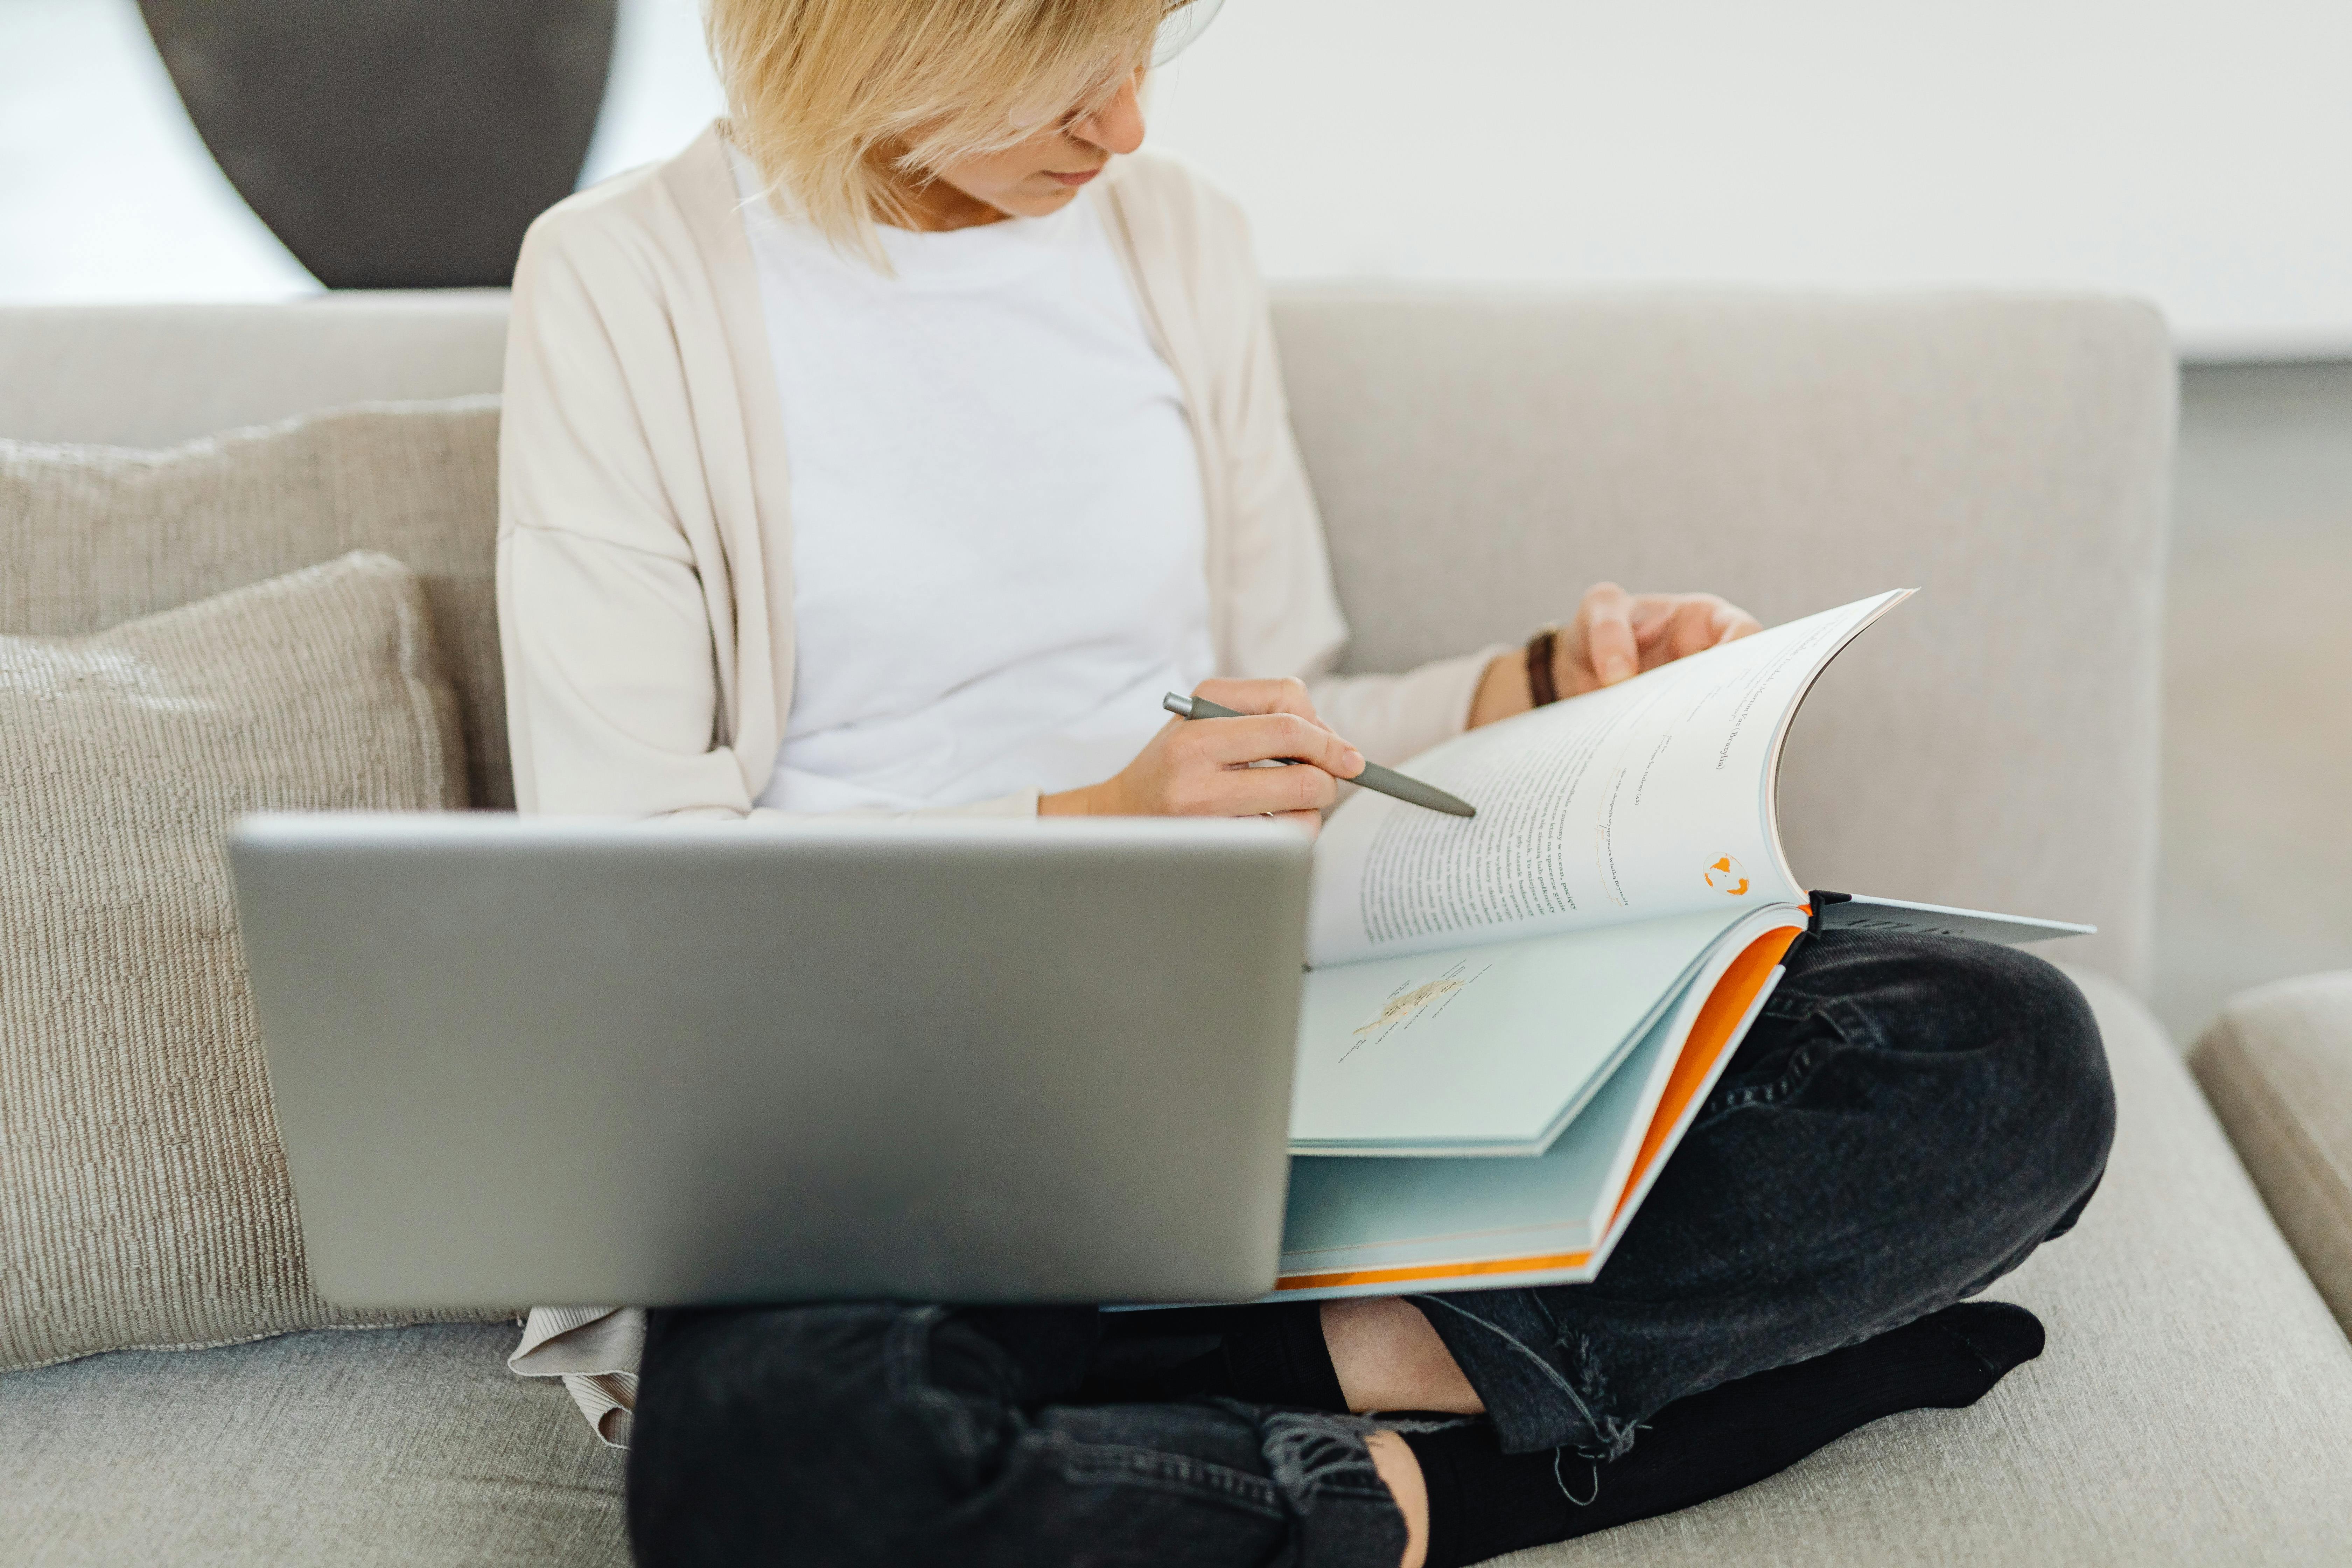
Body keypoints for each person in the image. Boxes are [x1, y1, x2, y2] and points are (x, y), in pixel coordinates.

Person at [493, 1, 2116, 1562]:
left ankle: (1264, 1378)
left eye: (1140, 56)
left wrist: (1544, 682)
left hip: (1274, 1026)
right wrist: (1089, 831)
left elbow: (1289, 715)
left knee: (2002, 1055)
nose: (1125, 128)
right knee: (774, 1483)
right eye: (1060, 80)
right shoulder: (625, 283)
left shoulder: (1172, 236)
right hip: (892, 1097)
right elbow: (639, 883)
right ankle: (1454, 1491)